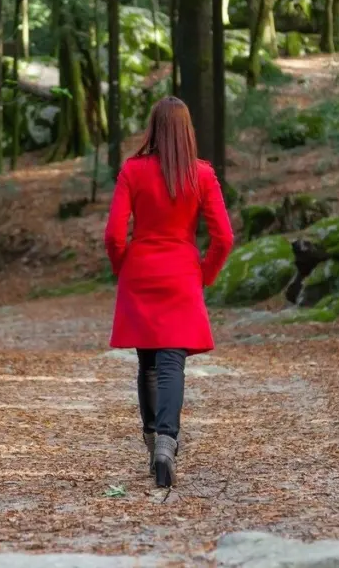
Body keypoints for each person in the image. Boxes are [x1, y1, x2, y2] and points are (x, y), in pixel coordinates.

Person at [103, 96, 234, 488]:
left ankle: (151, 440)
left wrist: (122, 266)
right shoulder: (202, 175)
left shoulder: (133, 170)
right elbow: (224, 238)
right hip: (180, 275)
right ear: (187, 130)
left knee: (148, 364)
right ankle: (166, 442)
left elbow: (113, 234)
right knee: (172, 363)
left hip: (141, 272)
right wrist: (204, 274)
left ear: (154, 129)